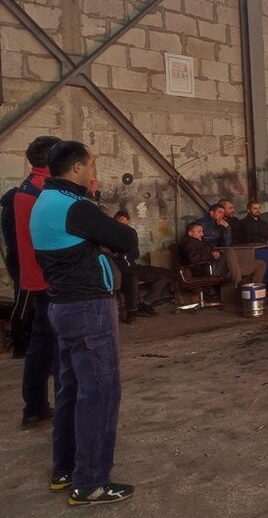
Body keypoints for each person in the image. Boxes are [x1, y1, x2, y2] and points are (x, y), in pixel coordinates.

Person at [30, 140, 138, 505]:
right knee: (101, 393)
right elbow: (126, 237)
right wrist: (102, 237)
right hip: (89, 308)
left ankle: (64, 470)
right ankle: (90, 481)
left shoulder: (44, 201)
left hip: (64, 306)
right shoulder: (74, 207)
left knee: (72, 390)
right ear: (77, 168)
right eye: (91, 167)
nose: (93, 174)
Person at [10, 135, 61, 428]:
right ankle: (54, 408)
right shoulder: (45, 192)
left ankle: (35, 407)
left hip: (35, 277)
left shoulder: (25, 188)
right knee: (58, 349)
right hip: (49, 278)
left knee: (40, 347)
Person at [111, 211, 172, 323]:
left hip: (133, 267)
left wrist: (120, 254)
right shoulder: (107, 234)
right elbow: (109, 254)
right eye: (120, 224)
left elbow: (135, 254)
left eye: (125, 224)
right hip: (119, 270)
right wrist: (121, 254)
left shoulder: (130, 233)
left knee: (166, 273)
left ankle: (146, 303)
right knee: (132, 278)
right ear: (114, 221)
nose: (122, 227)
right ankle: (132, 312)